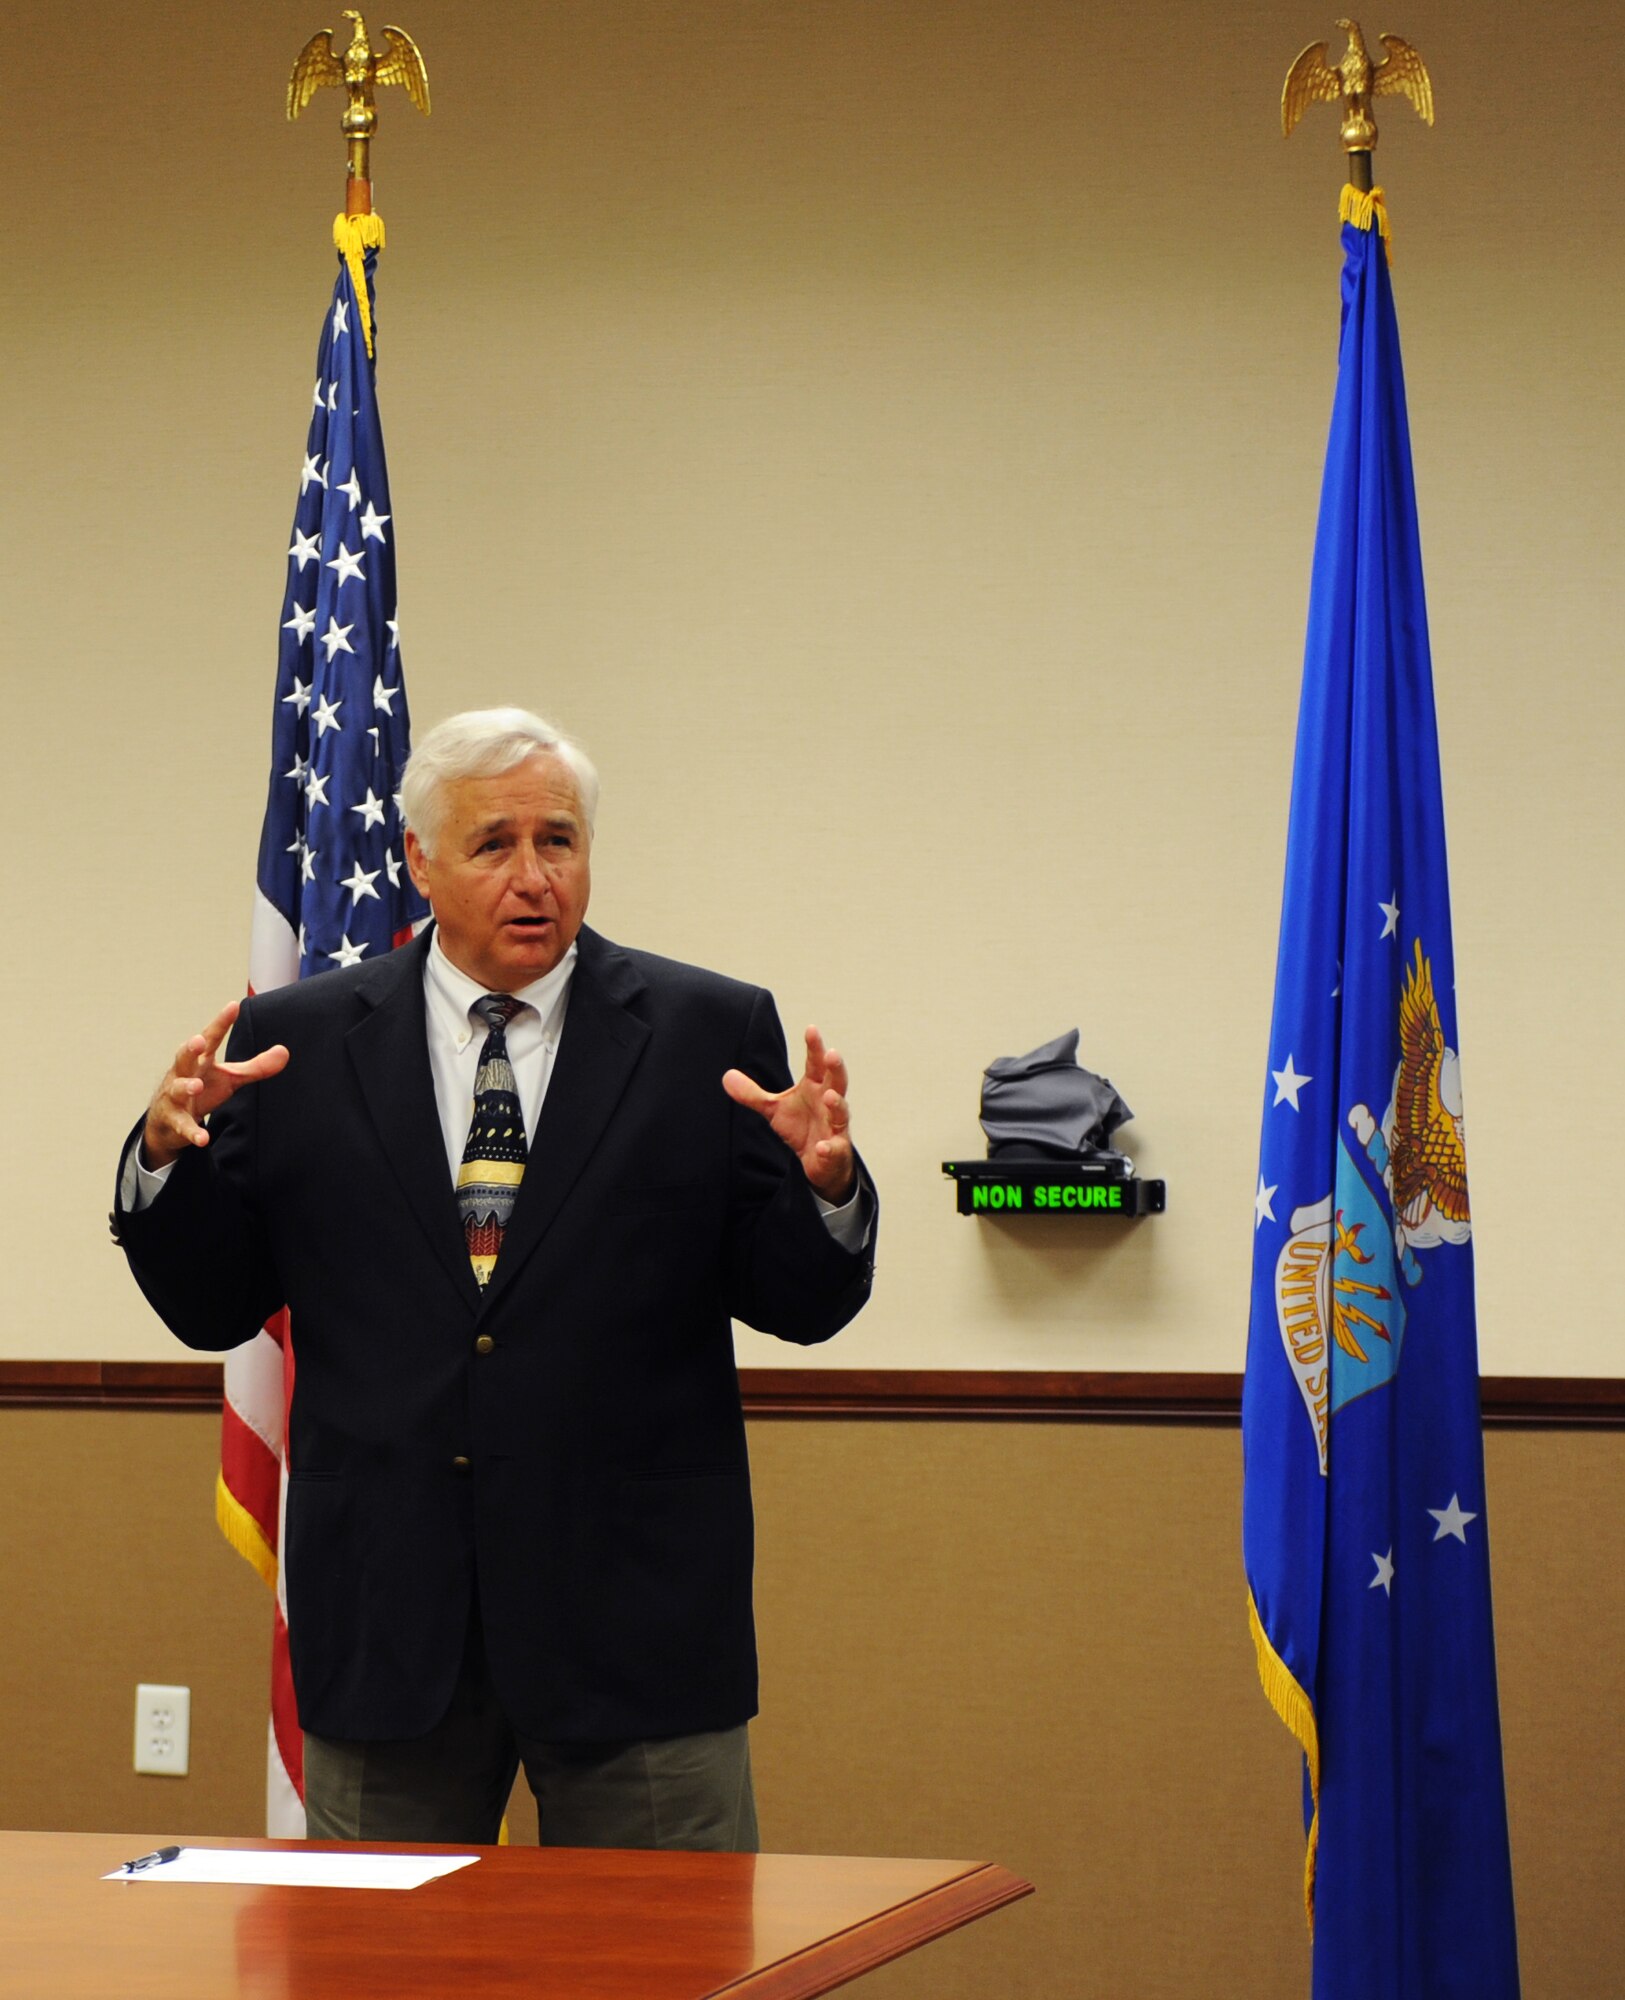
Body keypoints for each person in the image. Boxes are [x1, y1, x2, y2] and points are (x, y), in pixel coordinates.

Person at [113, 706, 876, 1849]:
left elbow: (800, 1302)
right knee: (375, 1975)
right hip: (389, 1624)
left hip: (638, 1631)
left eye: (557, 840)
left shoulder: (703, 1030)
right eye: (494, 844)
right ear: (418, 857)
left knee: (666, 1968)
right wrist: (164, 1160)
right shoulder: (298, 1042)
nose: (534, 877)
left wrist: (827, 1185)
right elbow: (216, 1304)